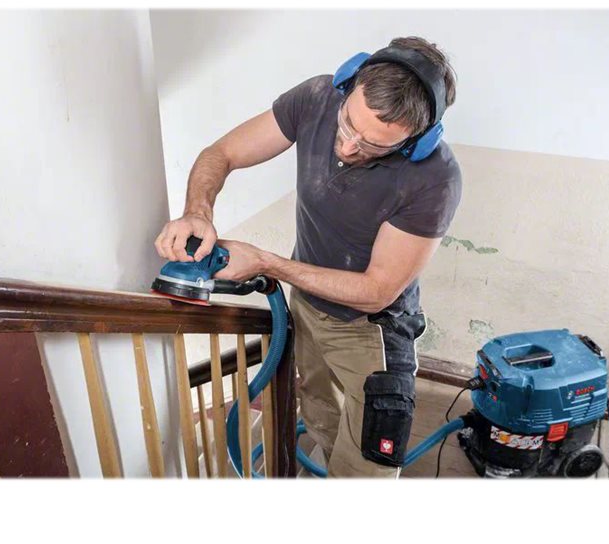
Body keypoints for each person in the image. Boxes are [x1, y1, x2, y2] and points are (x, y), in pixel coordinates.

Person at [154, 36, 462, 477]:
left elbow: (376, 291)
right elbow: (220, 154)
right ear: (348, 84)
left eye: (374, 146)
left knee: (370, 462)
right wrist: (197, 213)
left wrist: (267, 263)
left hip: (370, 329)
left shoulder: (434, 178)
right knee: (319, 409)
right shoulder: (318, 97)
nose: (349, 147)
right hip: (307, 305)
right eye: (348, 124)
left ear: (418, 142)